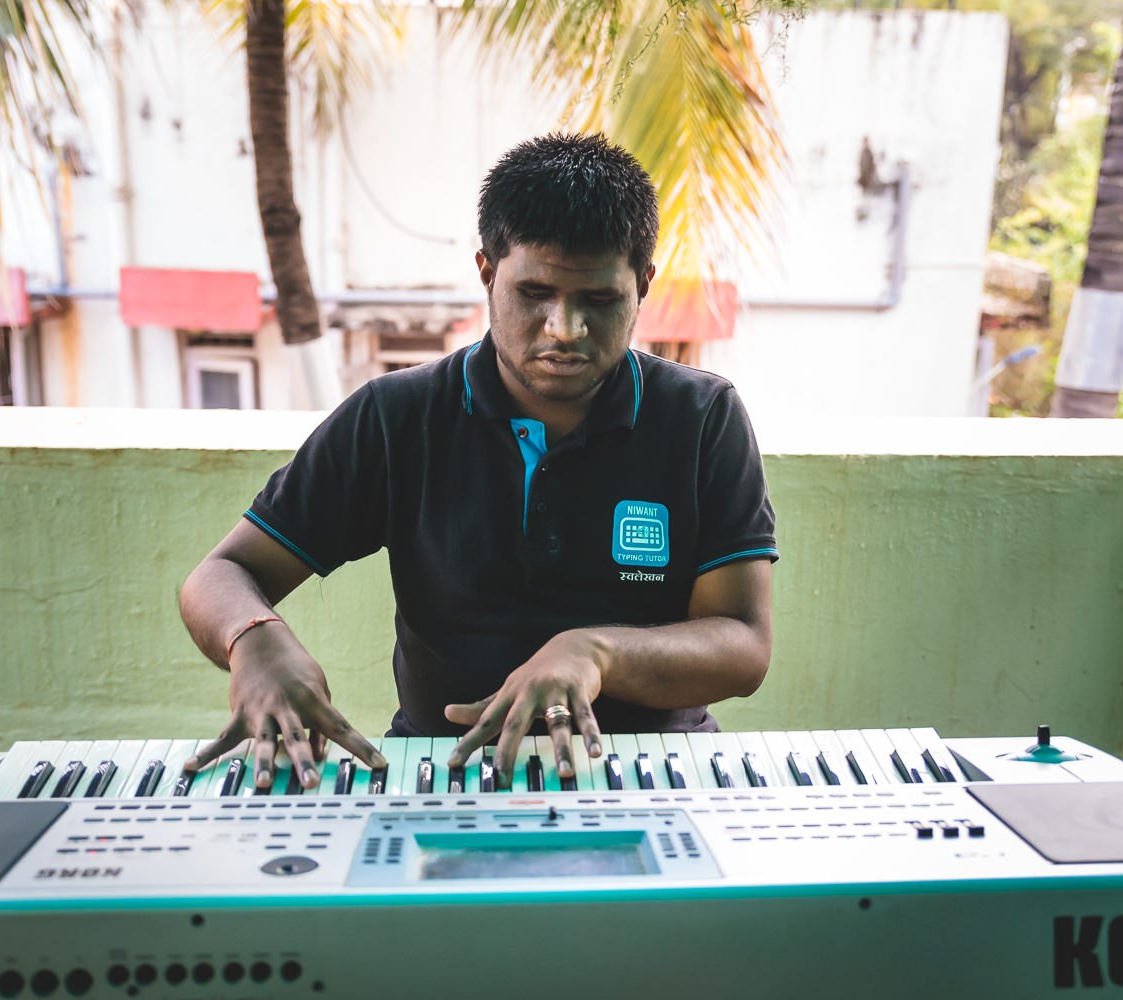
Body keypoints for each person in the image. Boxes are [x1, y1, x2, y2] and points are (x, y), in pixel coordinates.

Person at [179, 132, 777, 792]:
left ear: (643, 286)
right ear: (488, 272)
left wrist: (595, 650)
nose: (565, 329)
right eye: (535, 292)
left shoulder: (700, 418)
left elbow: (743, 643)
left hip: (654, 769)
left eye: (600, 301)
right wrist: (255, 642)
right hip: (443, 771)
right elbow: (222, 574)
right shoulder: (397, 417)